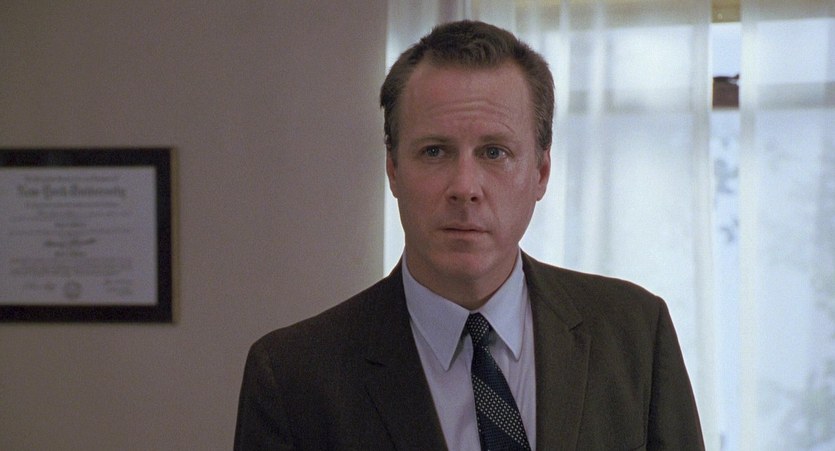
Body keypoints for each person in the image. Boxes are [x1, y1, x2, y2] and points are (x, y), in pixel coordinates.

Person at [234, 20, 704, 450]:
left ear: (541, 172)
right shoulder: (294, 378)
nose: (464, 187)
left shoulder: (635, 334)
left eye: (494, 152)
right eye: (434, 151)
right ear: (393, 169)